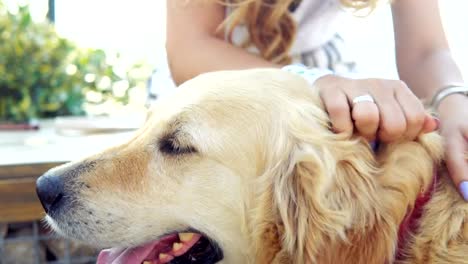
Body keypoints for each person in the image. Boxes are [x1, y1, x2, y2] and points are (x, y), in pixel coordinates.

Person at [165, 0, 468, 200]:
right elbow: (190, 47)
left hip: (325, 79)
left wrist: (453, 101)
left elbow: (427, 50)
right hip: (215, 81)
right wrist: (310, 81)